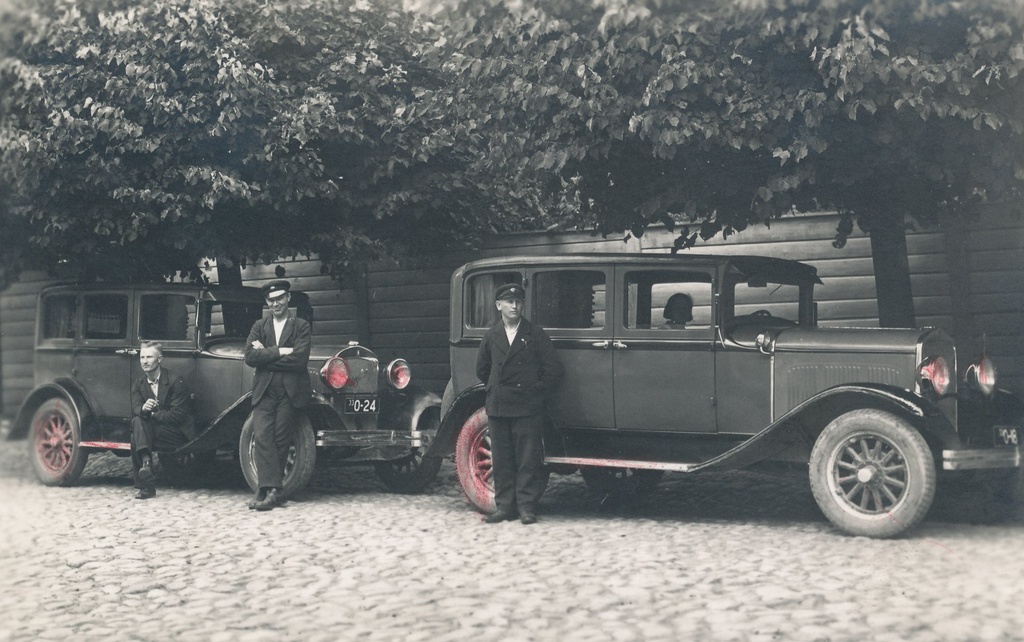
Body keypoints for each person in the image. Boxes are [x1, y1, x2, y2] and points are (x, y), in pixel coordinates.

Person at [476, 283, 563, 525]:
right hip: (499, 405)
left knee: (528, 459)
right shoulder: (491, 335)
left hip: (527, 406)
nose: (515, 306)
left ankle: (526, 507)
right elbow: (482, 369)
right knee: (502, 459)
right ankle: (505, 508)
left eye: (518, 302)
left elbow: (554, 370)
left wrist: (534, 392)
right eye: (509, 302)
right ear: (498, 306)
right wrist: (496, 389)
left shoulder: (535, 334)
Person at [244, 280, 312, 511]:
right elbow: (250, 357)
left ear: (288, 298)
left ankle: (270, 490)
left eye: (280, 298)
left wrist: (267, 356)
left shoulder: (301, 326)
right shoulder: (259, 326)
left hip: (290, 391)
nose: (276, 303)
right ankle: (269, 489)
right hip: (264, 390)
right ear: (266, 303)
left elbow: (300, 359)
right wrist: (281, 351)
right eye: (271, 300)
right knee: (262, 436)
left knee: (281, 438)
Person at [130, 341, 196, 499]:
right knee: (137, 423)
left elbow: (177, 416)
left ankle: (146, 482)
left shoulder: (175, 380)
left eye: (149, 357)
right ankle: (146, 466)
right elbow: (135, 408)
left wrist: (151, 414)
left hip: (176, 433)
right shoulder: (139, 383)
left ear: (159, 359)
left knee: (136, 434)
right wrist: (144, 409)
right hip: (154, 431)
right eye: (142, 357)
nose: (144, 361)